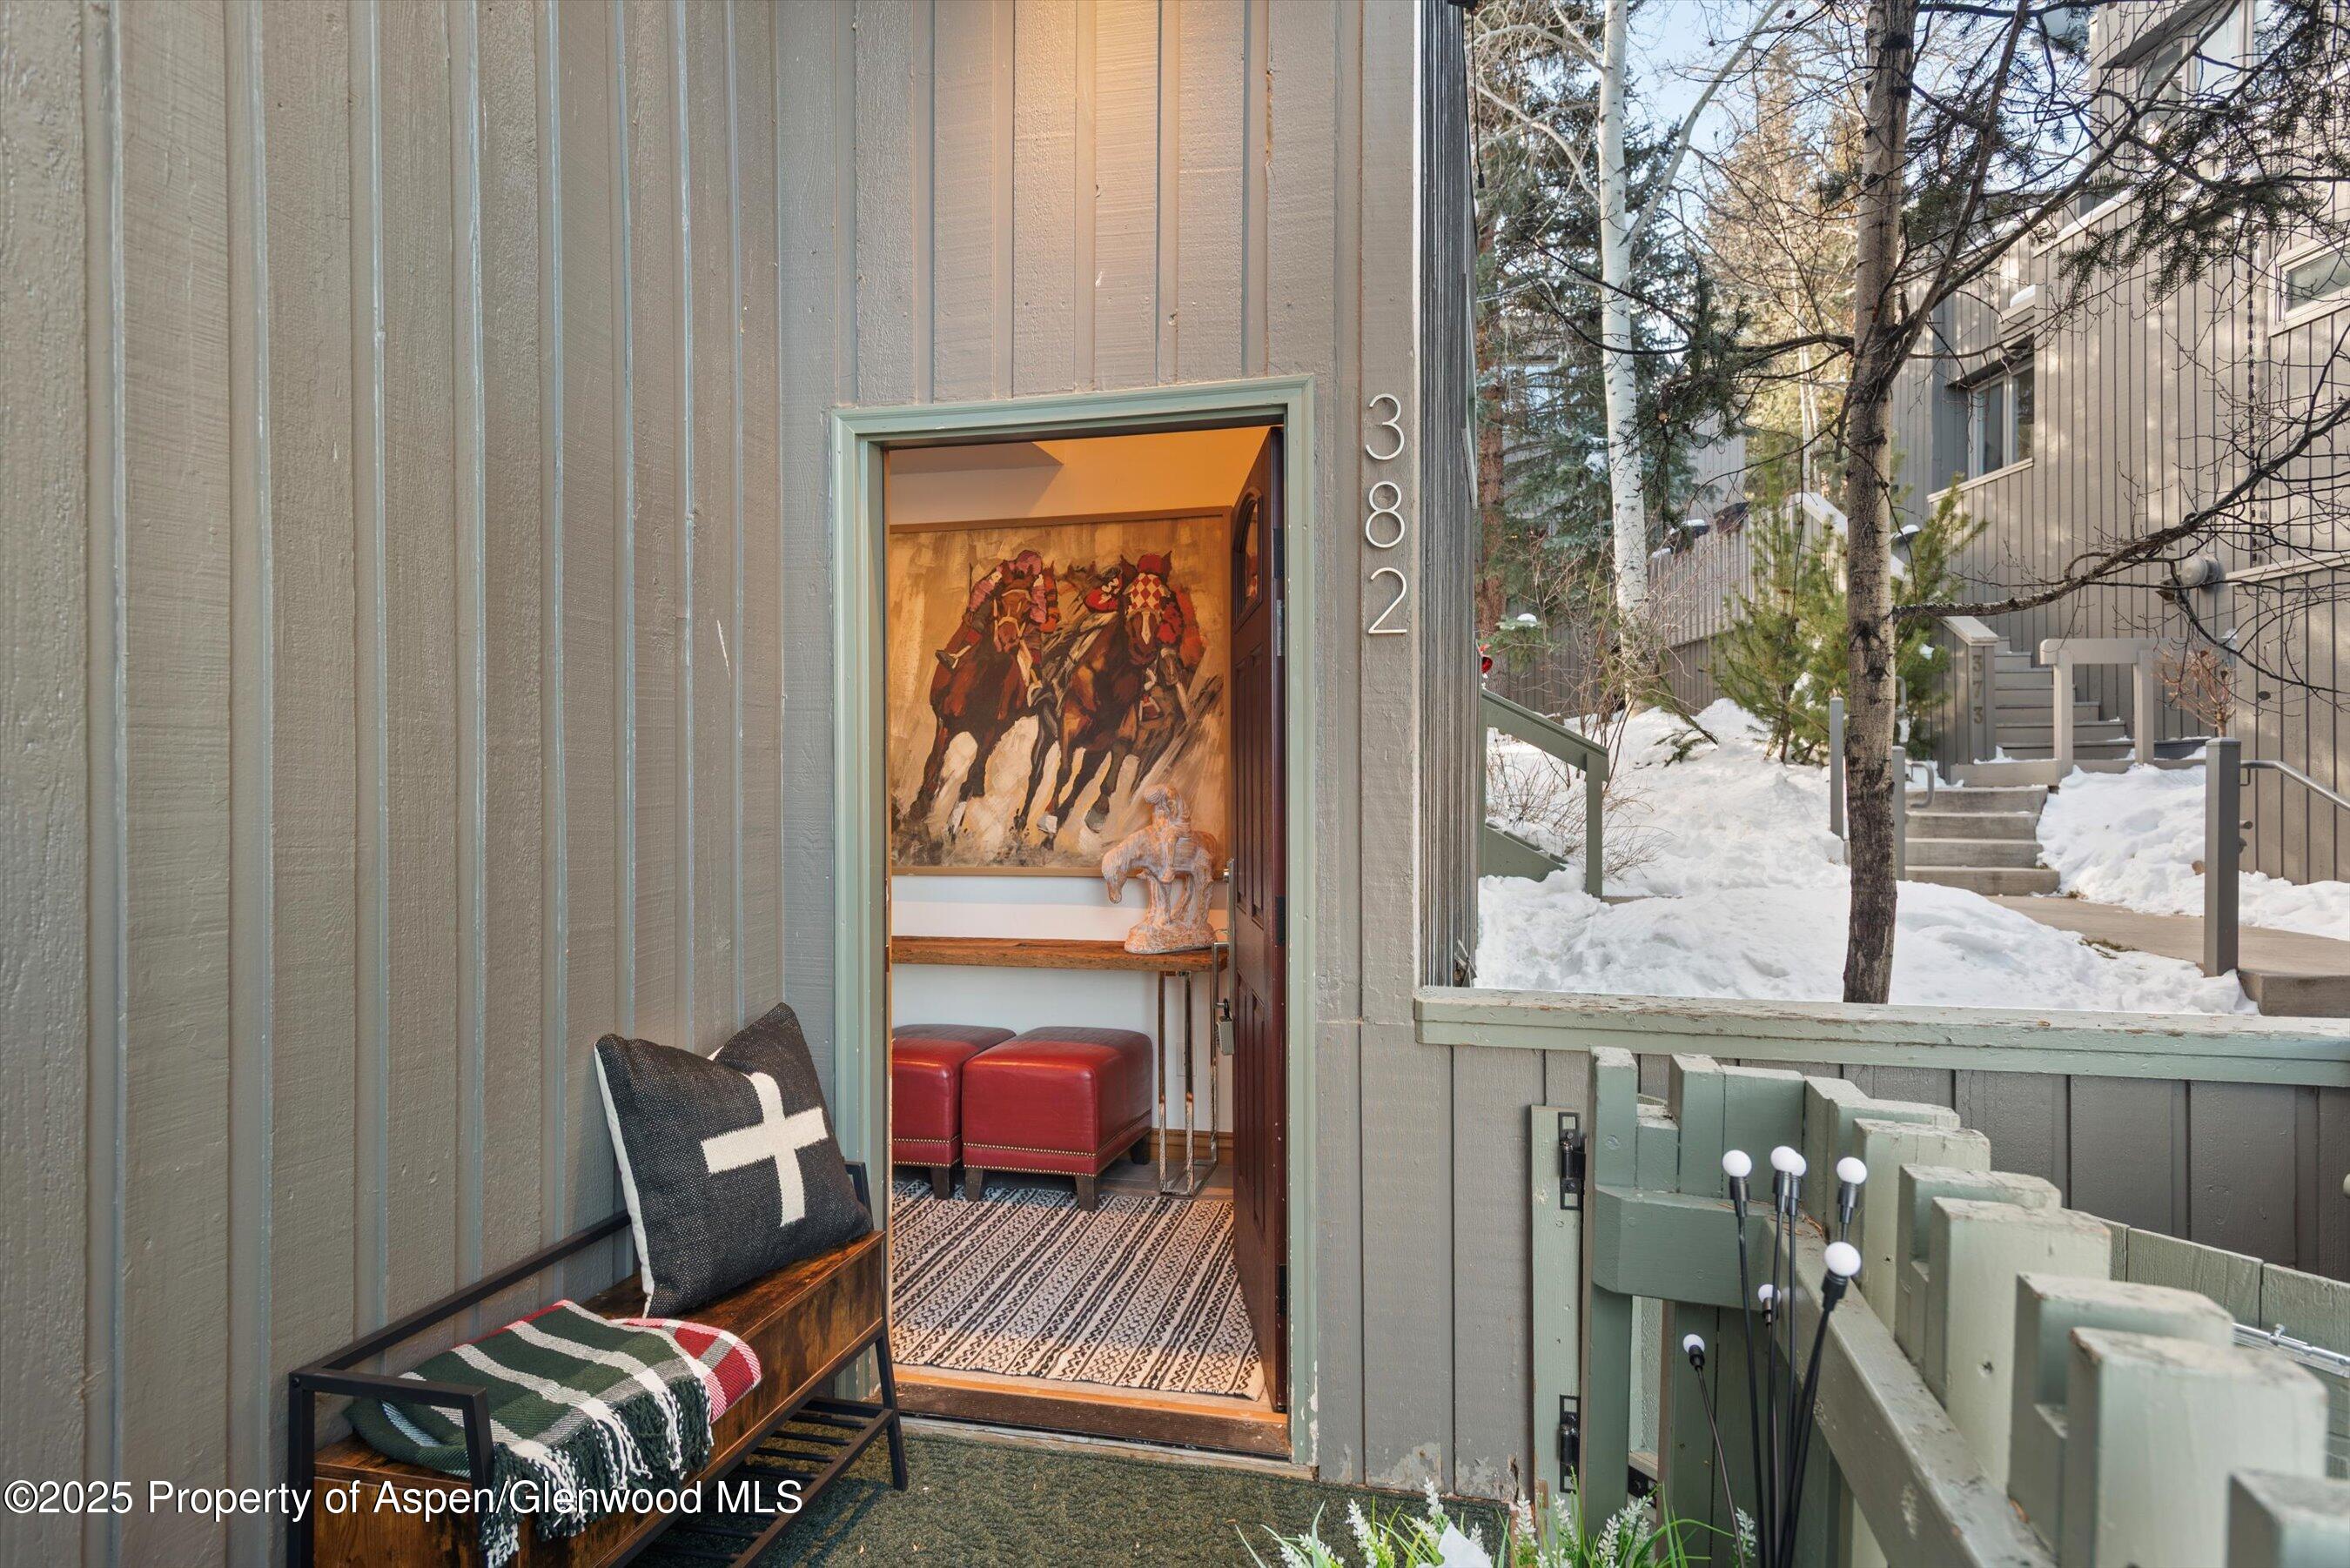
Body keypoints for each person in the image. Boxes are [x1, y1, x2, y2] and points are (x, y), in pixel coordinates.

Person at [937, 549, 1058, 707]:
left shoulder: (1039, 581)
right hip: (999, 606)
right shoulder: (1003, 569)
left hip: (1022, 613)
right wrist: (972, 609)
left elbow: (1041, 610)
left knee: (1033, 639)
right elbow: (984, 587)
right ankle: (958, 655)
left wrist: (1032, 615)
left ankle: (1035, 683)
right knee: (980, 619)